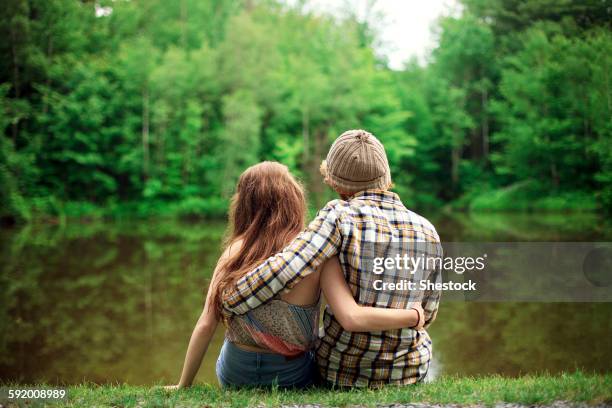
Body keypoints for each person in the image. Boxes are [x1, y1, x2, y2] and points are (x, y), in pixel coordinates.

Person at [166, 161, 425, 389]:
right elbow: (351, 316)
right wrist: (414, 316)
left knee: (228, 347)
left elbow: (205, 324)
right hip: (291, 375)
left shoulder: (234, 251)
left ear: (244, 204)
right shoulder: (317, 254)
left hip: (236, 371)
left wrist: (183, 385)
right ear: (293, 197)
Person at [222, 130, 442, 388]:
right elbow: (427, 313)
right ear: (386, 178)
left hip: (343, 372)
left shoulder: (338, 215)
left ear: (335, 183)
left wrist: (232, 299)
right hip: (408, 372)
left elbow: (287, 268)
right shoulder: (427, 229)